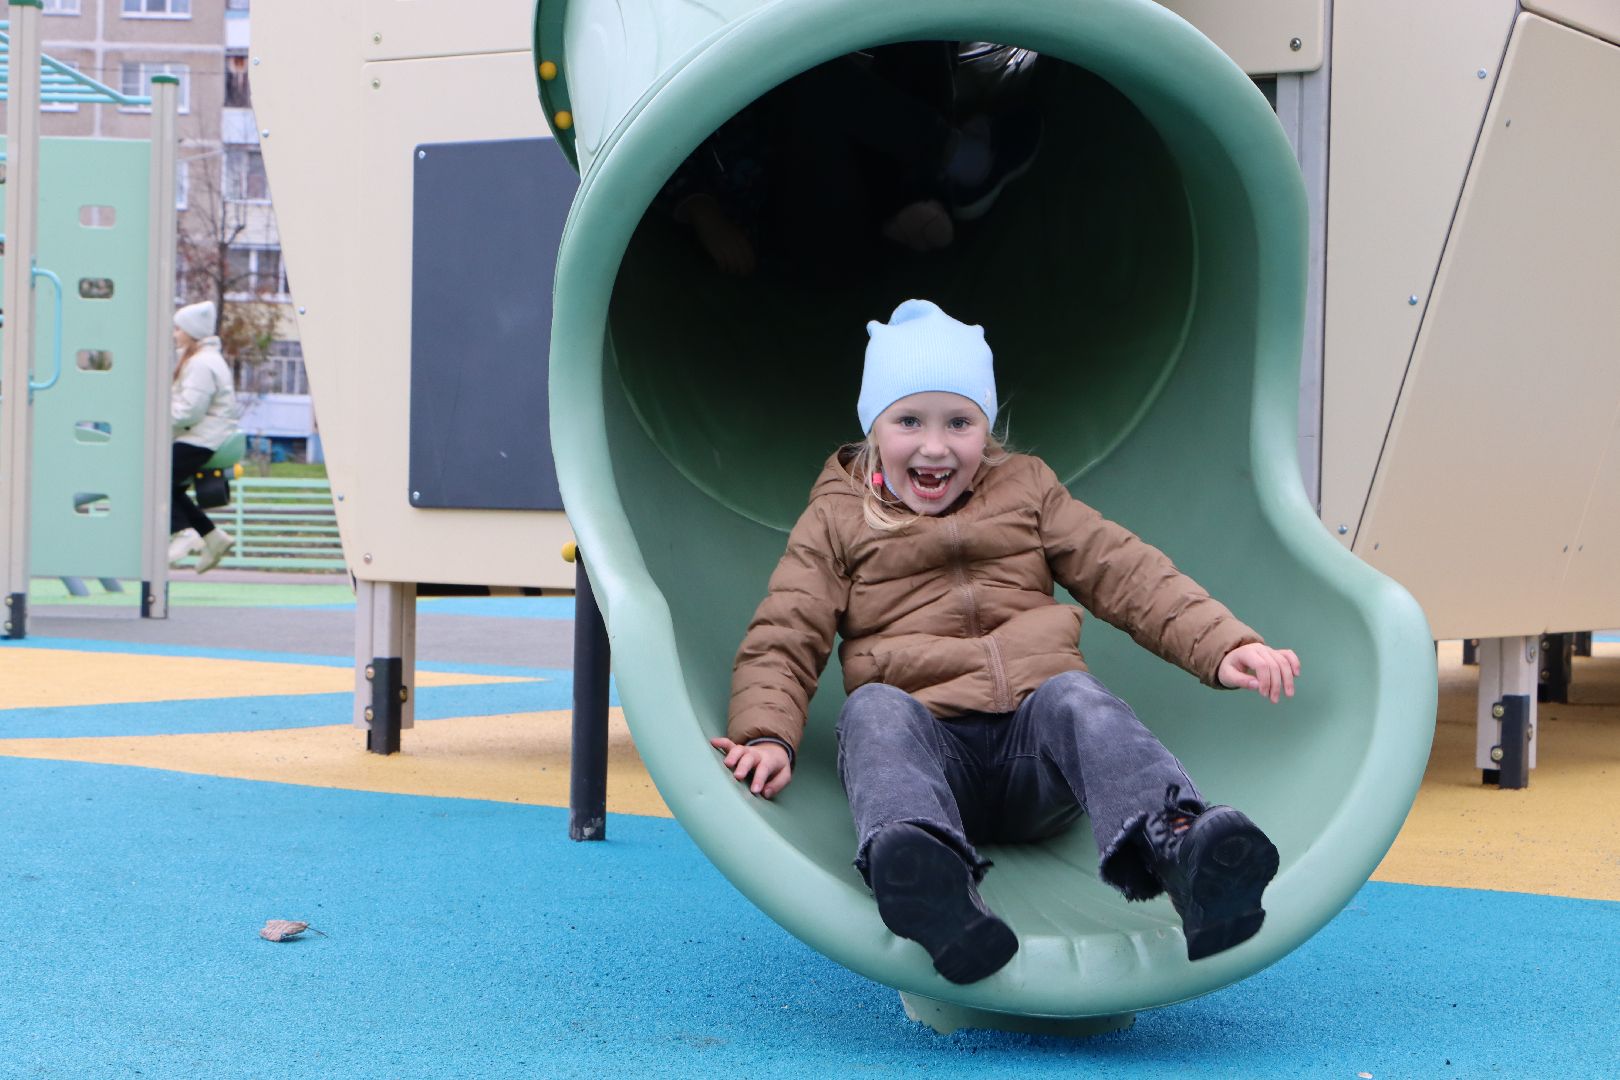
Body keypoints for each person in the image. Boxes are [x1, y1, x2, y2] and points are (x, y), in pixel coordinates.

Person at [712, 299, 1300, 984]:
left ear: (986, 428)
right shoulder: (837, 520)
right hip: (931, 761)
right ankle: (930, 881)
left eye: (959, 422)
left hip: (1035, 759)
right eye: (909, 421)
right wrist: (765, 733)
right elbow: (788, 628)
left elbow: (1123, 569)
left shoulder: (1028, 493)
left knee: (1078, 698)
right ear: (874, 428)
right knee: (872, 709)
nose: (935, 447)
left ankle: (1182, 852)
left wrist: (1220, 643)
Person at [167, 301, 239, 573]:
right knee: (171, 487)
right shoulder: (204, 359)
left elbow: (189, 410)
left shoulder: (200, 363)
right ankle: (213, 537)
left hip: (200, 437)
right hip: (204, 435)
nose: (175, 334)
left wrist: (158, 421)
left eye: (178, 329)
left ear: (191, 331)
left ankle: (184, 532)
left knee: (158, 480)